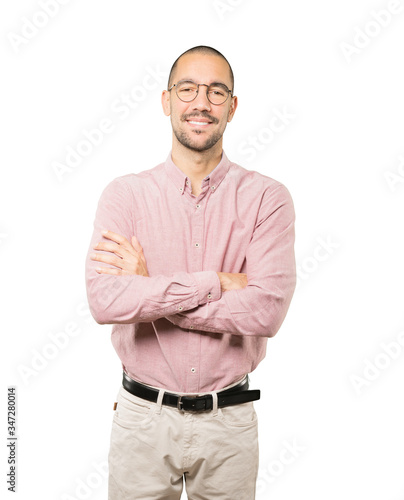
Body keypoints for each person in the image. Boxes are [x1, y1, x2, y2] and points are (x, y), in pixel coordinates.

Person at [85, 45, 296, 500]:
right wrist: (217, 282)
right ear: (167, 101)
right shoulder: (125, 196)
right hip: (143, 420)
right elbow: (105, 302)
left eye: (216, 91)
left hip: (229, 425)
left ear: (233, 107)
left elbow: (266, 313)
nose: (201, 102)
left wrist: (150, 289)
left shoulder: (267, 199)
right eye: (187, 89)